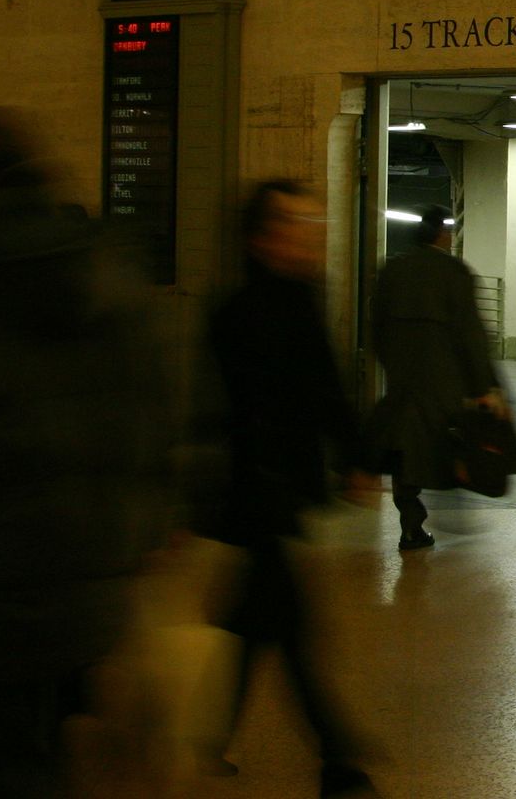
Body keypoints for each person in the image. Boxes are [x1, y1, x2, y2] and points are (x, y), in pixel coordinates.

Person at [0, 107, 171, 797]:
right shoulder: (106, 271)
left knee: (0, 766)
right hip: (86, 586)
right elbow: (153, 412)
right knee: (39, 755)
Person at [199, 180, 378, 796]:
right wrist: (350, 457)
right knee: (293, 628)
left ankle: (210, 734)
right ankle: (338, 760)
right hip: (258, 491)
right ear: (262, 237)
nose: (310, 237)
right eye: (296, 225)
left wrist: (353, 456)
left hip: (268, 491)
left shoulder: (290, 301)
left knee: (257, 622)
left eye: (312, 224)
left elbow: (322, 389)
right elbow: (256, 408)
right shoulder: (243, 313)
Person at [368, 204, 512, 551]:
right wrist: (484, 387)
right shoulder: (454, 272)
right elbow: (471, 333)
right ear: (442, 235)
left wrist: (391, 365)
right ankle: (455, 512)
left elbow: (376, 324)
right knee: (453, 442)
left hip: (404, 379)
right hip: (446, 380)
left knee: (407, 450)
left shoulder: (393, 270)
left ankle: (411, 526)